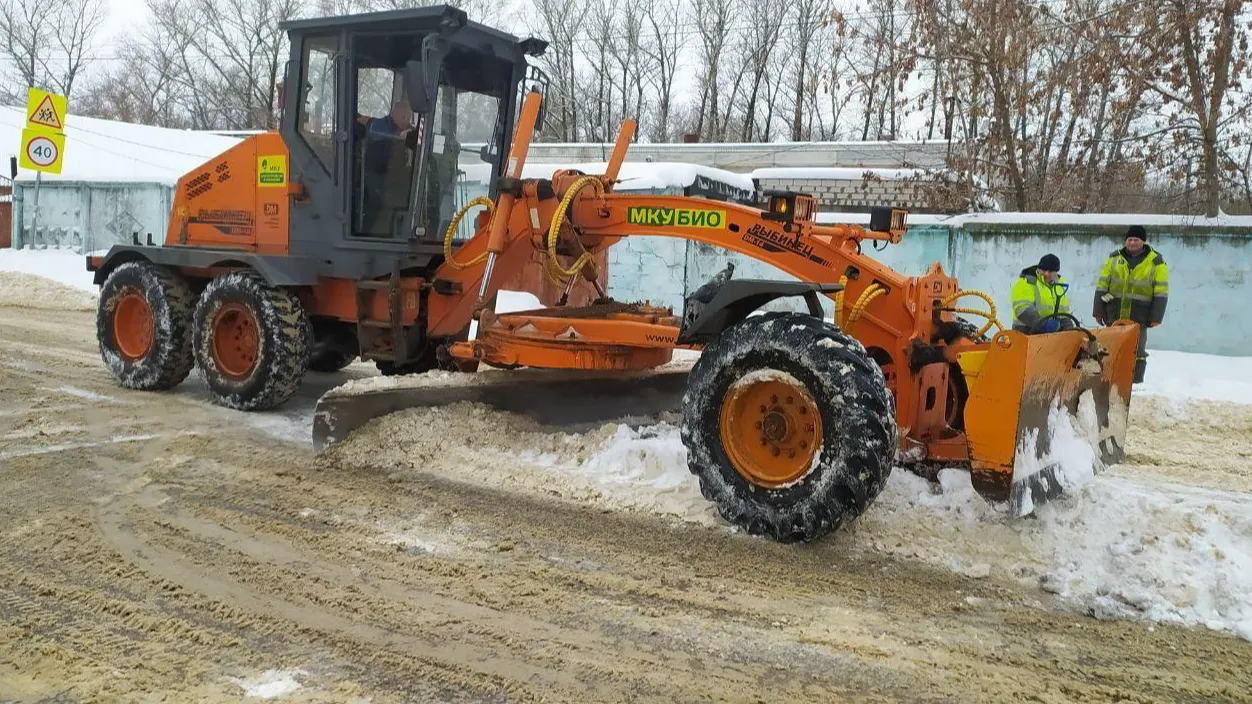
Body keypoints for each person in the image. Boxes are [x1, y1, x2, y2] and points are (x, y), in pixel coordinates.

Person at [1093, 225, 1169, 384]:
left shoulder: (1156, 262)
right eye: (1129, 239)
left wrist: (1156, 317)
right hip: (1114, 312)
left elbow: (1161, 292)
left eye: (1136, 239)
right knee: (1111, 346)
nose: (1132, 242)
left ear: (1143, 242)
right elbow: (1102, 286)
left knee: (1137, 349)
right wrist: (1098, 311)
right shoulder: (1114, 258)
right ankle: (1109, 377)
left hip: (1140, 314)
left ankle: (1135, 381)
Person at [1011, 253, 1073, 333]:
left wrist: (1070, 331)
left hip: (1050, 336)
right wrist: (1043, 324)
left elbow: (1064, 312)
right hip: (1026, 333)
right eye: (1043, 270)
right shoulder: (1027, 282)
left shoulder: (1059, 285)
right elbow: (1022, 309)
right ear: (1038, 268)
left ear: (1056, 272)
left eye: (1050, 271)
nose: (1046, 273)